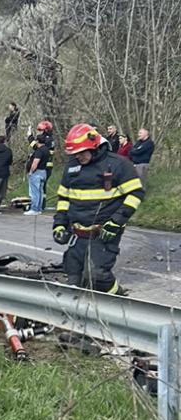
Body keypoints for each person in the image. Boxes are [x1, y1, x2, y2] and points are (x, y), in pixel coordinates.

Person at [52, 123, 144, 294]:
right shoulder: (72, 167)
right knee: (73, 274)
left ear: (94, 145)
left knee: (97, 275)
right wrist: (59, 224)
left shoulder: (118, 164)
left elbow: (136, 193)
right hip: (77, 234)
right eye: (75, 153)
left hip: (103, 233)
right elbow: (64, 198)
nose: (79, 156)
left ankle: (118, 299)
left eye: (82, 152)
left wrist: (116, 222)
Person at [25, 130, 52, 215]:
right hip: (43, 171)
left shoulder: (39, 151)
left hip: (37, 173)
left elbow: (35, 163)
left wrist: (31, 172)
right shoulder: (46, 150)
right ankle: (39, 208)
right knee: (40, 191)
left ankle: (34, 209)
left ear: (37, 141)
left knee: (35, 192)